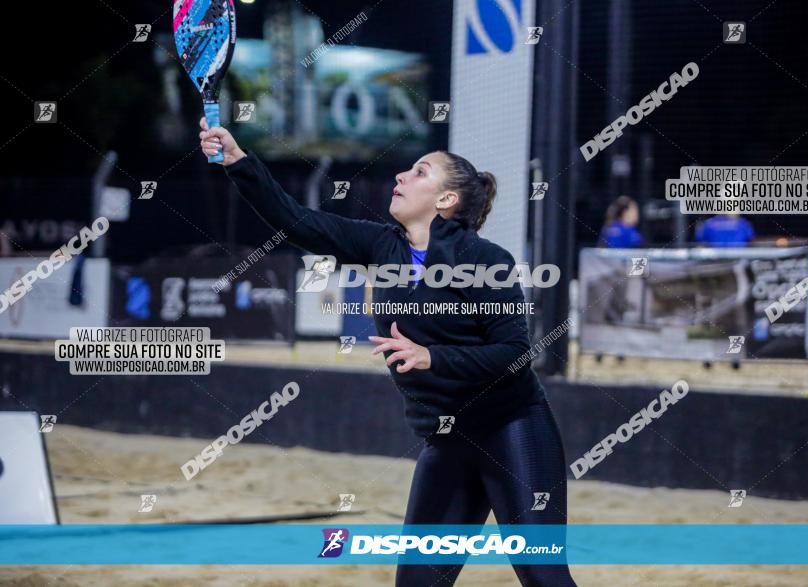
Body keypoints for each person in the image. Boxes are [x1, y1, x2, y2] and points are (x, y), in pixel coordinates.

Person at [199, 119, 577, 587]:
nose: (400, 176)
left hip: (514, 431)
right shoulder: (379, 245)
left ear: (446, 200)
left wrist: (432, 357)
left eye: (419, 172)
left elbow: (516, 353)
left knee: (543, 576)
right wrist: (239, 161)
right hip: (446, 442)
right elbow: (295, 220)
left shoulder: (486, 260)